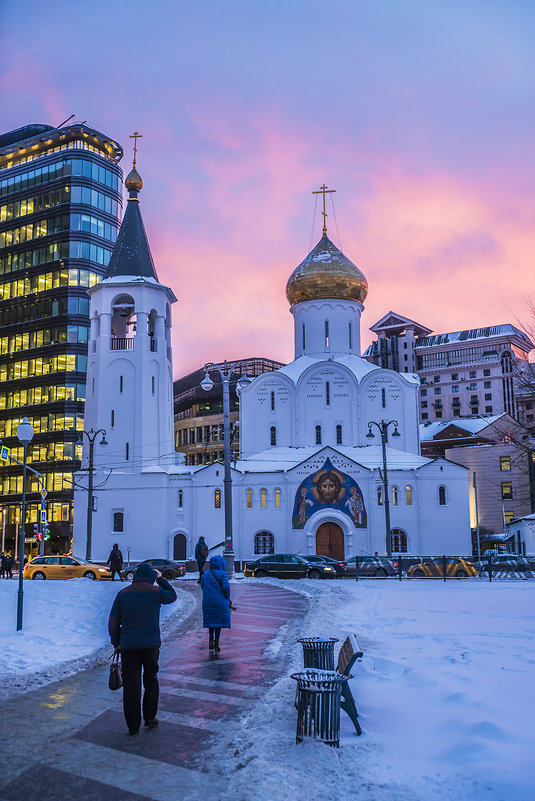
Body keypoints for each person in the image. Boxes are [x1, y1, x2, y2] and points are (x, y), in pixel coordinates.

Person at [108, 562, 177, 736]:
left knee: (131, 686)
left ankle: (132, 725)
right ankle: (150, 718)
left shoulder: (122, 594)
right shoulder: (154, 592)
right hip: (150, 646)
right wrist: (161, 580)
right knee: (151, 680)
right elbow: (172, 596)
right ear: (151, 578)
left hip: (129, 646)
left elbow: (113, 622)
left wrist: (116, 642)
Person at [201, 554, 231, 652]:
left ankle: (210, 640)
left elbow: (202, 586)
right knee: (218, 623)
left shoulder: (206, 574)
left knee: (211, 622)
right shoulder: (222, 574)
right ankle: (217, 644)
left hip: (208, 602)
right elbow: (226, 588)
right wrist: (227, 597)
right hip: (220, 602)